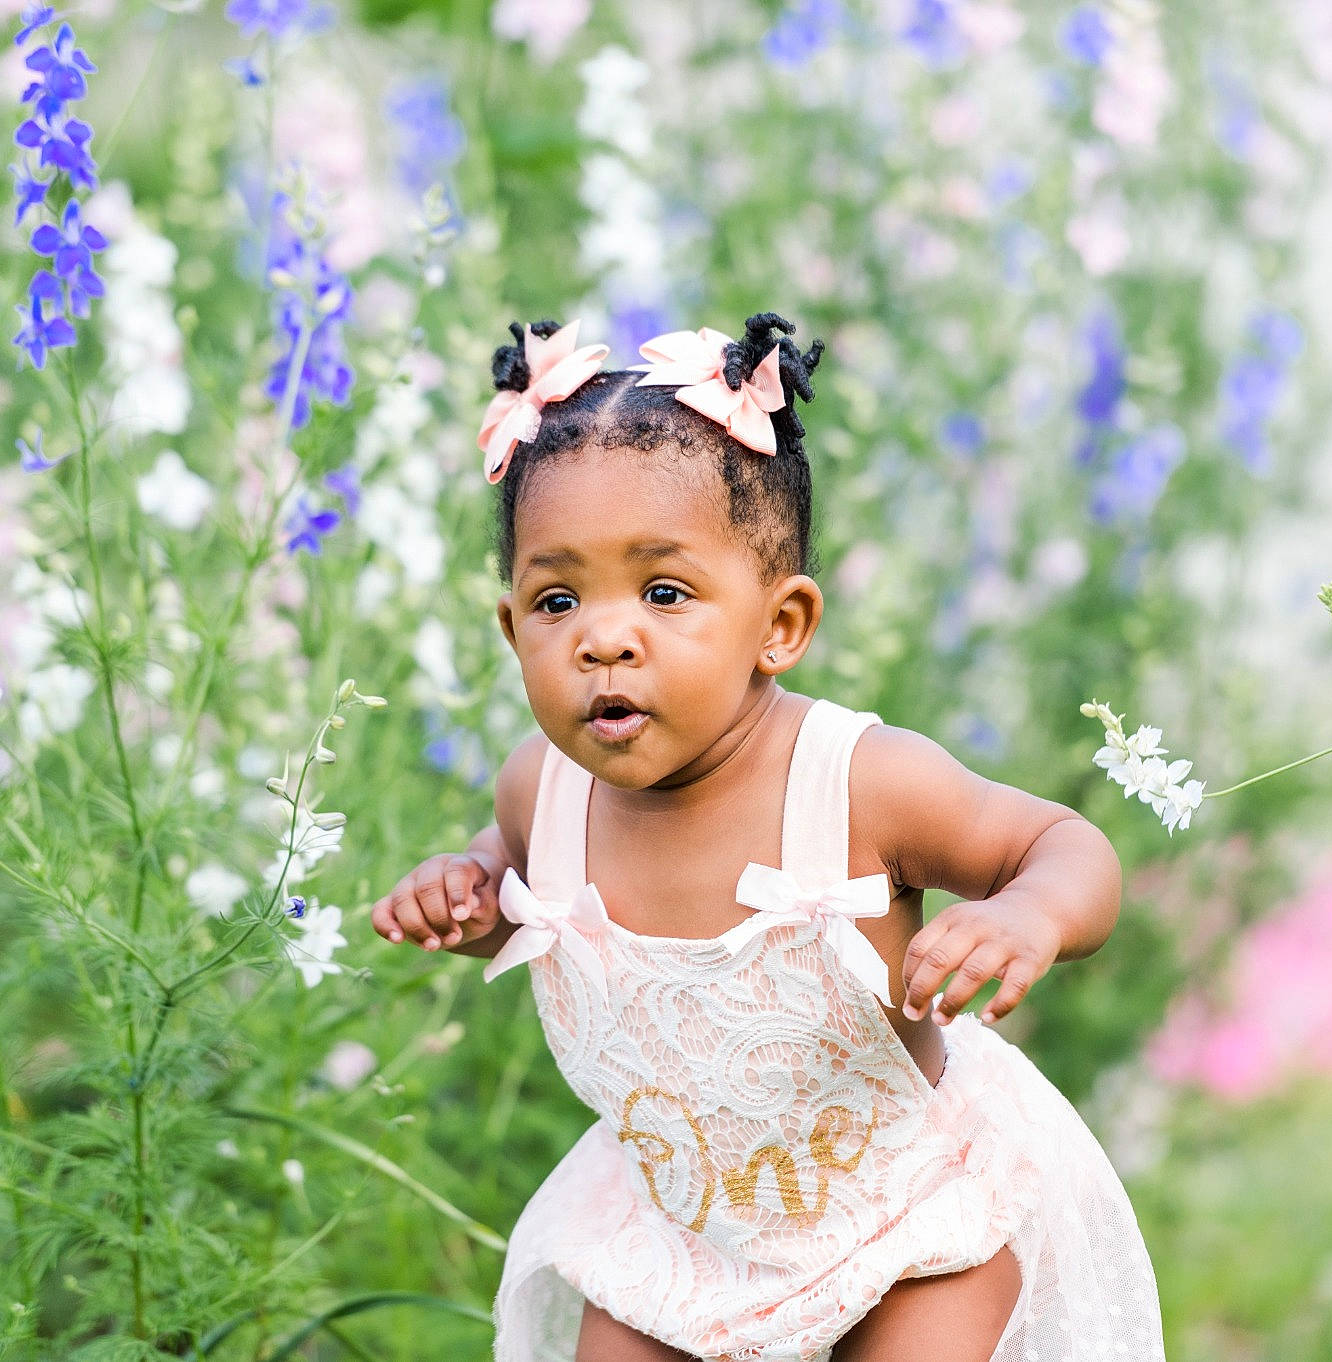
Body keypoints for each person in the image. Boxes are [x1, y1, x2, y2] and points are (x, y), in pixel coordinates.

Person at [370, 312, 1165, 1362]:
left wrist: (1026, 912)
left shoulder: (861, 784)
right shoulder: (542, 793)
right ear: (514, 630)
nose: (604, 638)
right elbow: (521, 885)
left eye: (663, 592)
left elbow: (1063, 843)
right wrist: (469, 891)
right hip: (675, 1226)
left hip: (902, 1212)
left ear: (779, 625)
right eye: (556, 599)